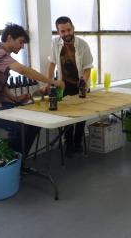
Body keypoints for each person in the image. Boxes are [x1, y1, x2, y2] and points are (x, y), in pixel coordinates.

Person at [0, 23, 56, 156]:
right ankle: (10, 162)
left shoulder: (2, 55)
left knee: (35, 122)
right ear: (9, 38)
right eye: (21, 42)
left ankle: (18, 160)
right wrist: (52, 81)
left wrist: (14, 98)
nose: (22, 46)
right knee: (19, 126)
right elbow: (22, 69)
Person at [45, 16, 94, 157]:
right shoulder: (55, 43)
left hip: (80, 86)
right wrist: (49, 82)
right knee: (66, 117)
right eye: (63, 31)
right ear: (58, 32)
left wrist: (82, 83)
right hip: (64, 85)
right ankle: (68, 144)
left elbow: (87, 67)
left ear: (73, 28)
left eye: (68, 30)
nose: (66, 33)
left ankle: (78, 143)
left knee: (81, 117)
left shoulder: (83, 45)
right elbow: (52, 63)